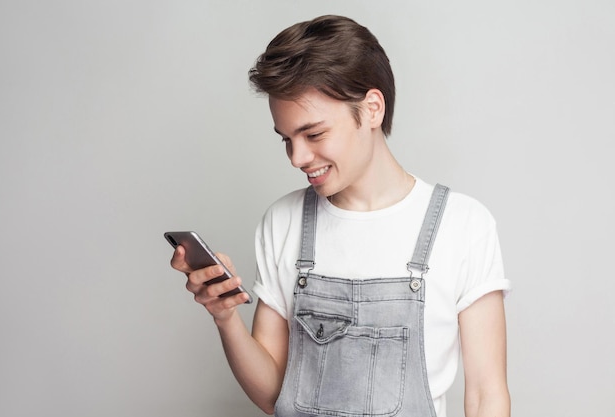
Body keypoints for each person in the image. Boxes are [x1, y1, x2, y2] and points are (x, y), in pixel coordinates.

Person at [171, 15, 511, 417]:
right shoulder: (283, 222)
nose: (297, 158)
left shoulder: (463, 224)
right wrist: (225, 317)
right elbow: (274, 396)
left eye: (313, 134)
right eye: (287, 139)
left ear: (371, 109)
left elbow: (486, 395)